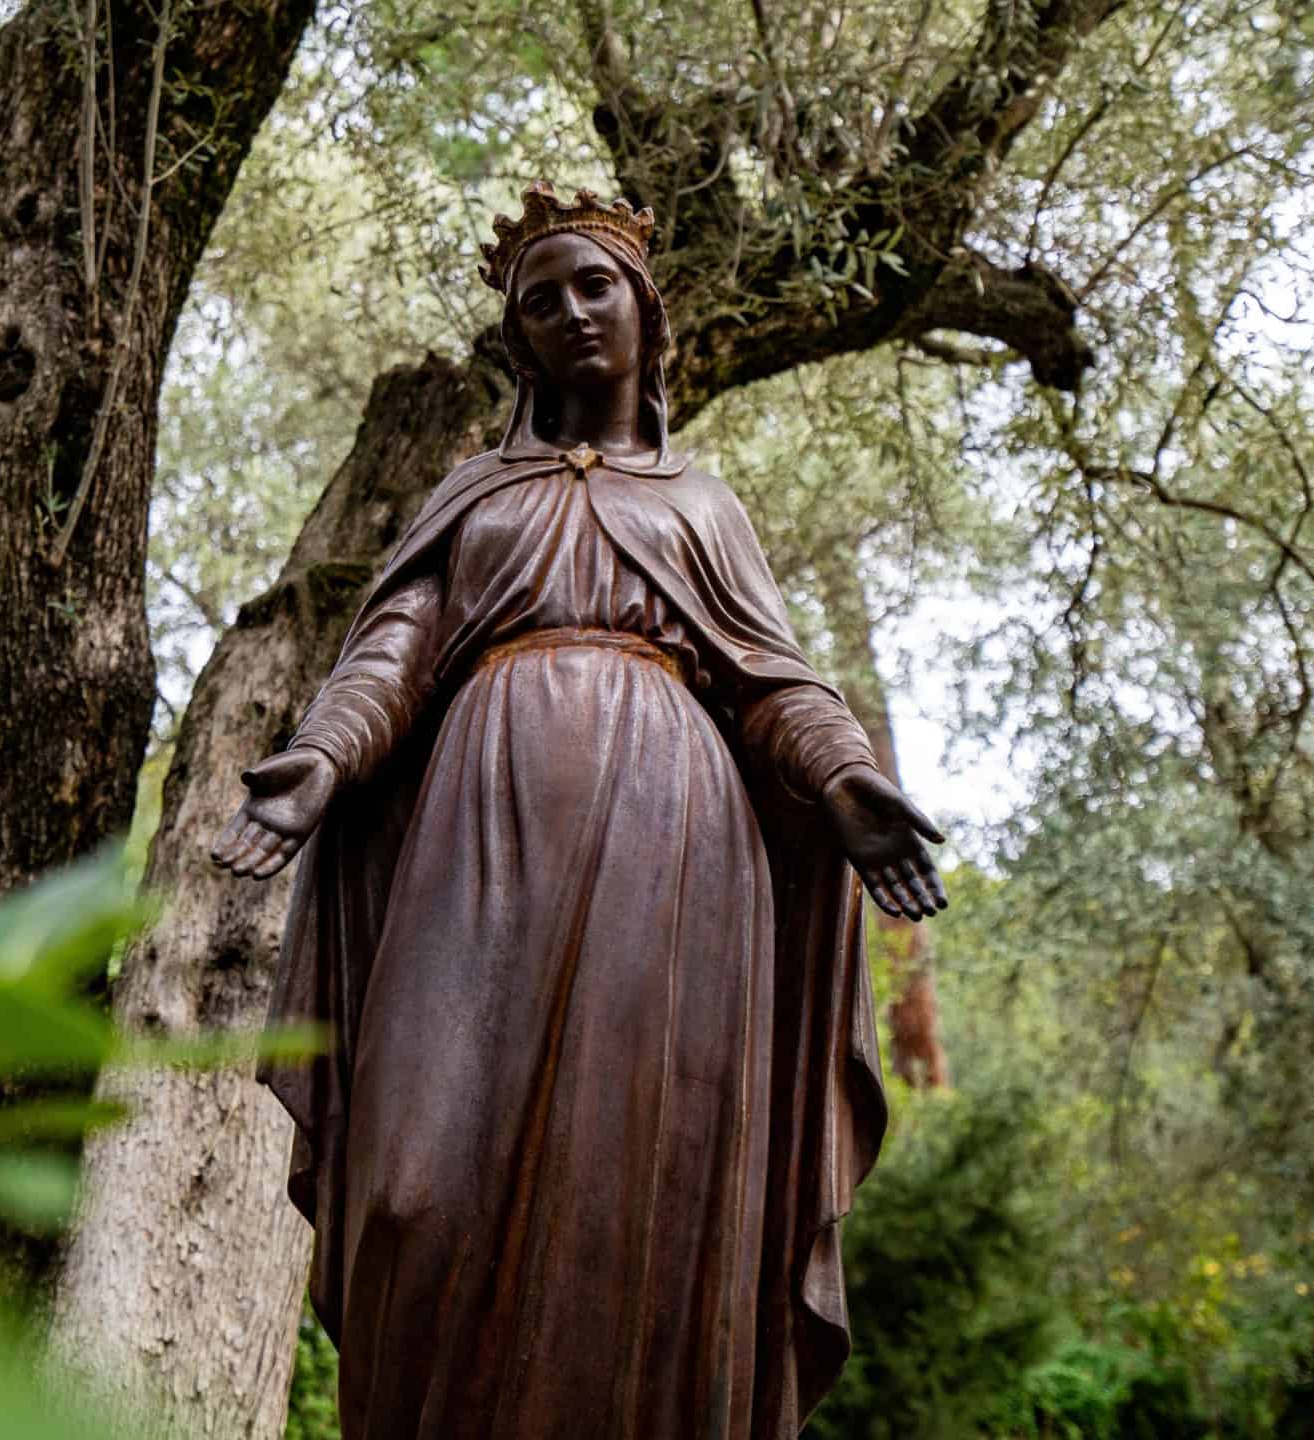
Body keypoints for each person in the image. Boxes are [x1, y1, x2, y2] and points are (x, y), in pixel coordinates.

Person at [211, 181, 946, 1439]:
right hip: (477, 832)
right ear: (519, 342)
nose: (568, 315)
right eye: (537, 302)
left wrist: (841, 779)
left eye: (591, 285)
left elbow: (771, 681)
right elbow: (392, 651)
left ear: (643, 311)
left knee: (642, 1184)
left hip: (674, 850)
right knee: (412, 1186)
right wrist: (323, 758)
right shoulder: (476, 497)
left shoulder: (700, 505)